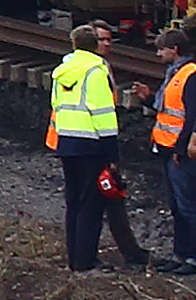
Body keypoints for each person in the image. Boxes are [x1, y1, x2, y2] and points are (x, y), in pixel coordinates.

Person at [45, 22, 140, 272]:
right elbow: (104, 116)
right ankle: (86, 262)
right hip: (91, 146)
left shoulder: (61, 71)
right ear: (94, 45)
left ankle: (75, 258)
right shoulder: (96, 72)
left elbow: (56, 104)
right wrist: (112, 155)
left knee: (73, 203)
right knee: (91, 205)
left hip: (66, 143)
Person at [148, 46, 196, 271]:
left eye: (161, 49)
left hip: (180, 152)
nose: (158, 54)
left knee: (188, 205)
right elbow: (169, 110)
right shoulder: (175, 73)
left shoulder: (192, 76)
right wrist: (147, 97)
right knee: (176, 206)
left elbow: (193, 115)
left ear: (174, 49)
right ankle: (180, 255)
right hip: (166, 147)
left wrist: (182, 148)